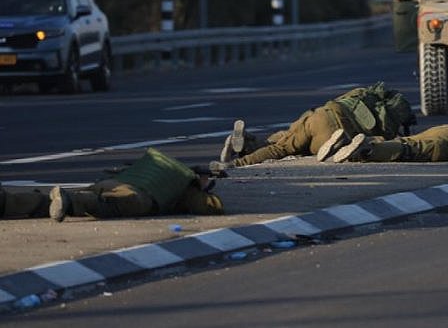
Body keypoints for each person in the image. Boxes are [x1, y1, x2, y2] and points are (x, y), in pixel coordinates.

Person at [212, 82, 417, 170]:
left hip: (321, 115)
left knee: (284, 141)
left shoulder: (364, 94)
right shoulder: (387, 125)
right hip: (335, 136)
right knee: (288, 148)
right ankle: (236, 163)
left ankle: (247, 144)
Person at [1, 148, 224, 221]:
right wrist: (199, 187)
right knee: (97, 204)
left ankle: (7, 203)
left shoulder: (161, 167)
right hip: (134, 195)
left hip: (112, 182)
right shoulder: (184, 186)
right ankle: (68, 202)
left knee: (51, 203)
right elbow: (213, 206)